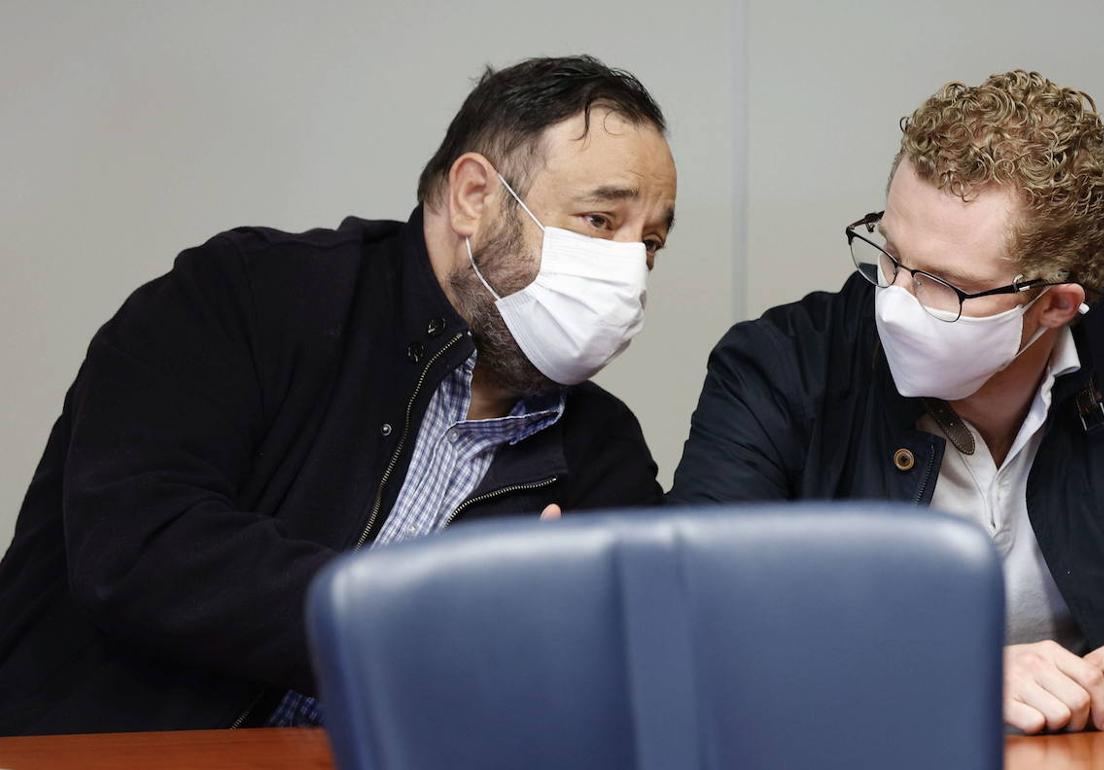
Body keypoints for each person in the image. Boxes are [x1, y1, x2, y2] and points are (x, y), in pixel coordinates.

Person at [0, 55, 677, 735]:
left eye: (649, 242)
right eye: (599, 221)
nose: (630, 271)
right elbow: (140, 548)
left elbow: (625, 682)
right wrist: (435, 623)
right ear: (476, 196)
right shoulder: (249, 298)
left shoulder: (604, 452)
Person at [668, 70, 1104, 734]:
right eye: (889, 254)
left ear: (1055, 305)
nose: (895, 302)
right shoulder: (779, 364)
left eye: (946, 285)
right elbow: (694, 613)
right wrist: (953, 671)